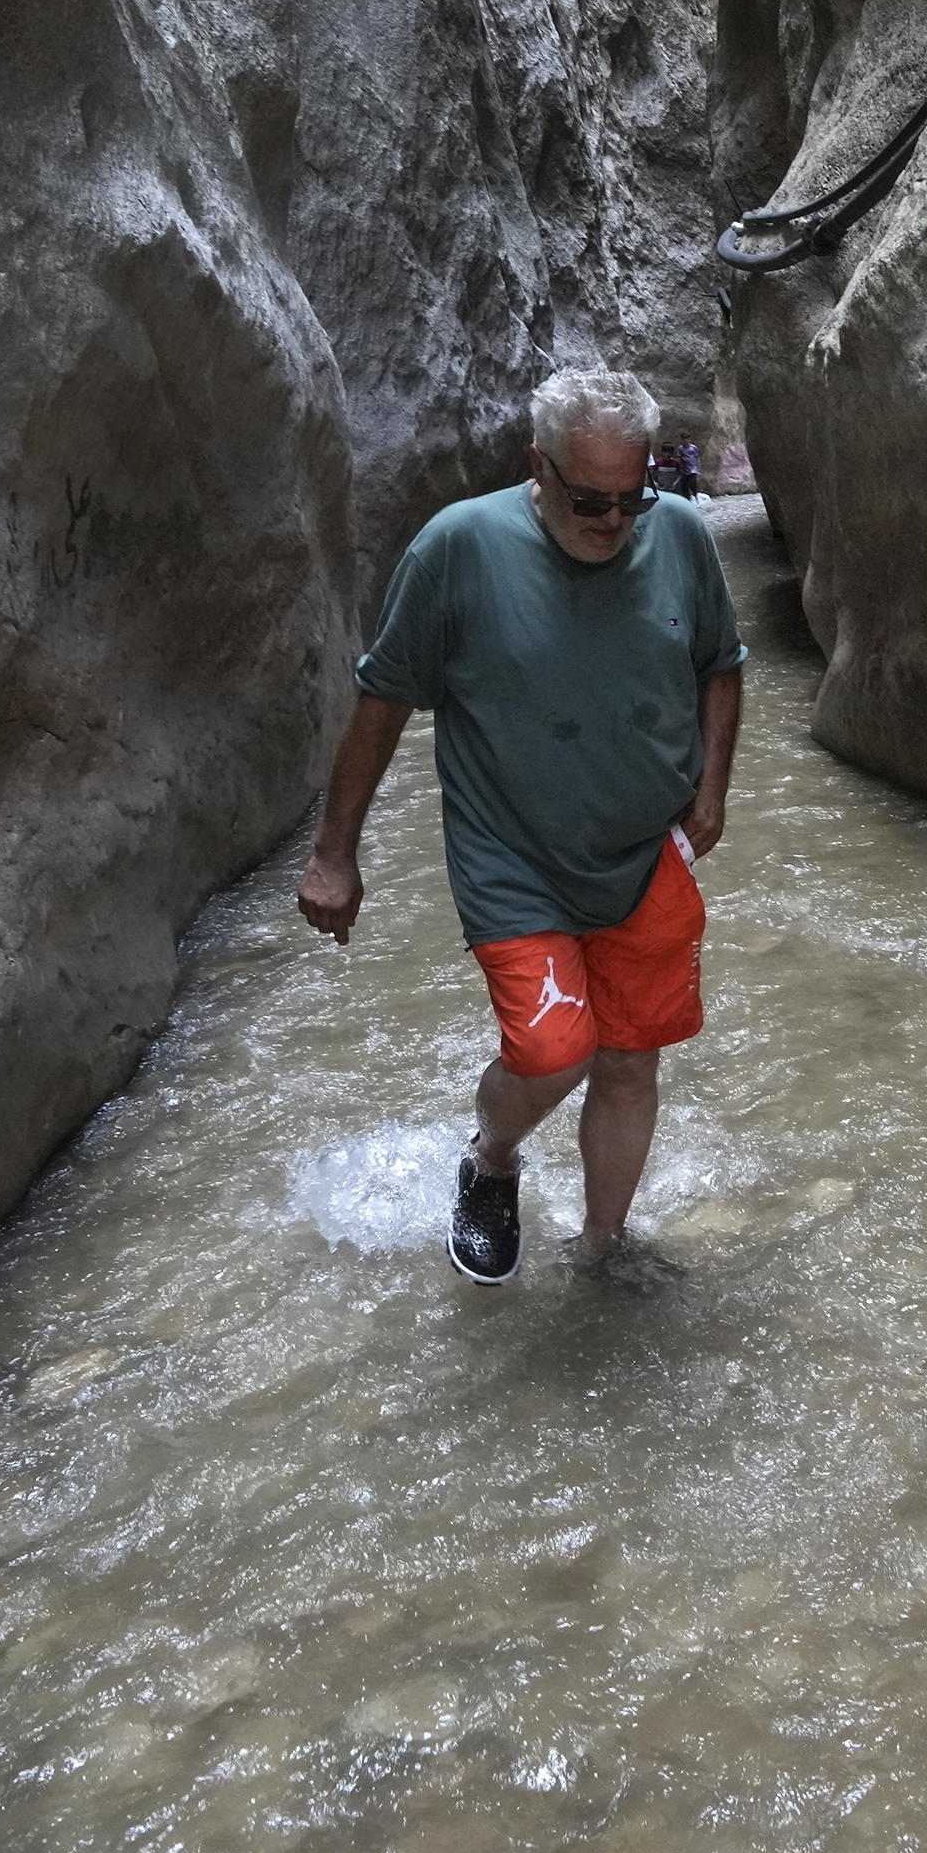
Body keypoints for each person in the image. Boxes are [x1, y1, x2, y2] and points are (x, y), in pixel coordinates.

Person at [293, 367, 747, 1284]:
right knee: (554, 1049)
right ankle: (490, 1159)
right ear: (535, 466)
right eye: (590, 501)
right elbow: (383, 700)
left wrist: (712, 788)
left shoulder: (682, 535)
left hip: (645, 848)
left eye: (633, 496)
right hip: (514, 857)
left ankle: (601, 1250)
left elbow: (720, 662)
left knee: (628, 1061)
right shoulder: (457, 549)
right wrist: (334, 854)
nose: (615, 522)